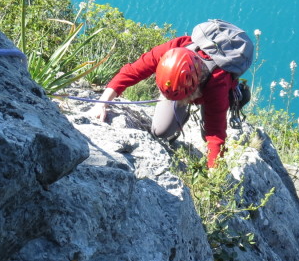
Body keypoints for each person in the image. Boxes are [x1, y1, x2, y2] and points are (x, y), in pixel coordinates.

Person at [92, 35, 240, 168]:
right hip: (183, 83)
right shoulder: (172, 52)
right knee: (161, 131)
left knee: (209, 128)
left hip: (212, 86)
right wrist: (102, 102)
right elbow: (132, 71)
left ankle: (226, 97)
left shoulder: (218, 83)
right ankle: (178, 110)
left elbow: (216, 133)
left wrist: (214, 173)